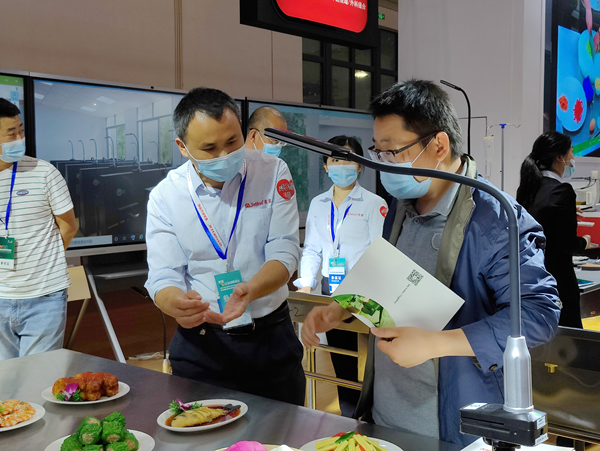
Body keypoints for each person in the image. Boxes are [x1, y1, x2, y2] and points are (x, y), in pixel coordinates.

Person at [301, 80, 561, 446]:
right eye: (378, 151)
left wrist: (436, 344)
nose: (384, 164)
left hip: (453, 426)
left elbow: (539, 313)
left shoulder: (496, 218)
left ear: (439, 145)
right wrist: (341, 308)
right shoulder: (402, 205)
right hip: (386, 416)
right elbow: (391, 276)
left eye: (393, 152)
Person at [145, 87, 305, 405]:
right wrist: (174, 302)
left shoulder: (272, 172)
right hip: (203, 345)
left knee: (283, 431)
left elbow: (285, 249)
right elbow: (163, 275)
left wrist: (250, 290)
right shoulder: (166, 196)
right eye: (209, 148)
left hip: (270, 339)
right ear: (182, 147)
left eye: (232, 142)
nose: (224, 155)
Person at [294, 135, 387, 417]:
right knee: (341, 361)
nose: (341, 165)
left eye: (347, 159)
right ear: (325, 165)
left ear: (359, 165)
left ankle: (375, 418)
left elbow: (379, 253)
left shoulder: (374, 204)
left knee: (371, 362)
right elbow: (312, 248)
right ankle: (350, 418)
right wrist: (306, 285)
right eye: (335, 159)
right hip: (330, 290)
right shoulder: (318, 203)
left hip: (365, 293)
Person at [0, 98, 78, 361]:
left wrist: (43, 262)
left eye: (21, 130)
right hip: (1, 295)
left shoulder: (44, 172)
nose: (19, 139)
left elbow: (69, 226)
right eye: (11, 133)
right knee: (5, 380)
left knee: (37, 375)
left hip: (45, 295)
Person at [516, 131, 589, 329]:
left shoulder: (527, 190)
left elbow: (542, 218)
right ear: (559, 157)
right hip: (558, 282)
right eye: (571, 151)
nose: (573, 158)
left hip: (531, 279)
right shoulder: (562, 191)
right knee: (568, 337)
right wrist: (585, 242)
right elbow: (567, 244)